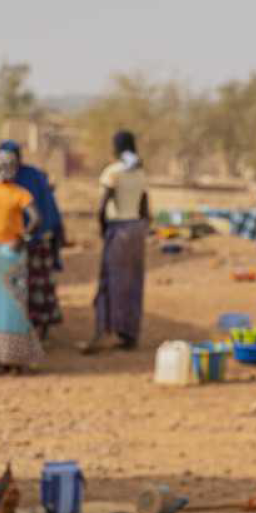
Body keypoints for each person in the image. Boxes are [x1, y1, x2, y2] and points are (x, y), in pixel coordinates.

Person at [0, 149, 45, 374]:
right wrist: (23, 238)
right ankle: (12, 360)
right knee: (14, 307)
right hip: (11, 254)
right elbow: (36, 219)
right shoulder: (20, 193)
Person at [84, 130, 149, 353]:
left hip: (118, 230)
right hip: (137, 230)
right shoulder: (140, 172)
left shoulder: (113, 172)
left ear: (117, 147)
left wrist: (103, 231)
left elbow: (102, 207)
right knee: (133, 283)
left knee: (110, 283)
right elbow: (144, 207)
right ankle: (129, 334)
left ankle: (104, 332)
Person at [0, 140, 67, 337]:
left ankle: (41, 326)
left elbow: (47, 210)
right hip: (9, 242)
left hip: (35, 240)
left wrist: (51, 237)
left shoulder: (32, 176)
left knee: (38, 284)